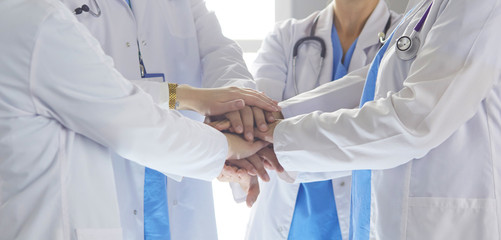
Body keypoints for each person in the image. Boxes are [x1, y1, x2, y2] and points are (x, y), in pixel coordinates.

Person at [0, 0, 280, 239]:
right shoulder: (39, 18)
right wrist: (223, 138)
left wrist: (242, 111)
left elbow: (219, 51)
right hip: (110, 174)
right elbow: (111, 101)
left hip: (179, 172)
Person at [255, 0, 501, 238]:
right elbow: (374, 85)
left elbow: (415, 121)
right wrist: (276, 120)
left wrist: (277, 135)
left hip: (445, 223)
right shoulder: (425, 9)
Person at [244, 0, 401, 239]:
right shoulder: (286, 36)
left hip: (364, 216)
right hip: (287, 218)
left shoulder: (405, 39)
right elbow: (257, 120)